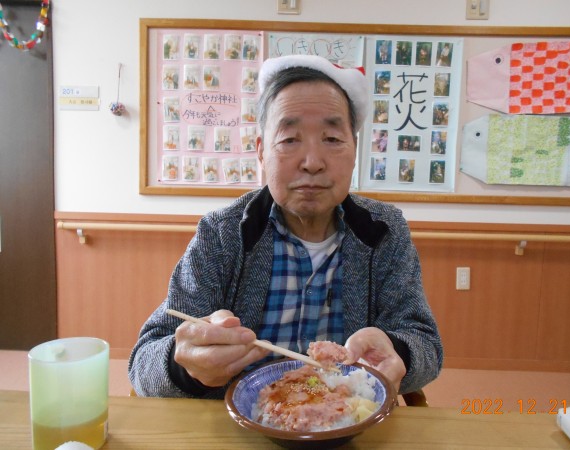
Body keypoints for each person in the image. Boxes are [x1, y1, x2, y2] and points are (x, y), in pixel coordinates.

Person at [129, 54, 443, 399]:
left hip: (349, 416)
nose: (312, 162)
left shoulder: (384, 231)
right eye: (290, 139)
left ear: (355, 151)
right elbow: (143, 363)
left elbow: (425, 344)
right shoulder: (222, 234)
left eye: (332, 139)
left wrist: (397, 352)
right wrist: (187, 366)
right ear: (261, 152)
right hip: (236, 422)